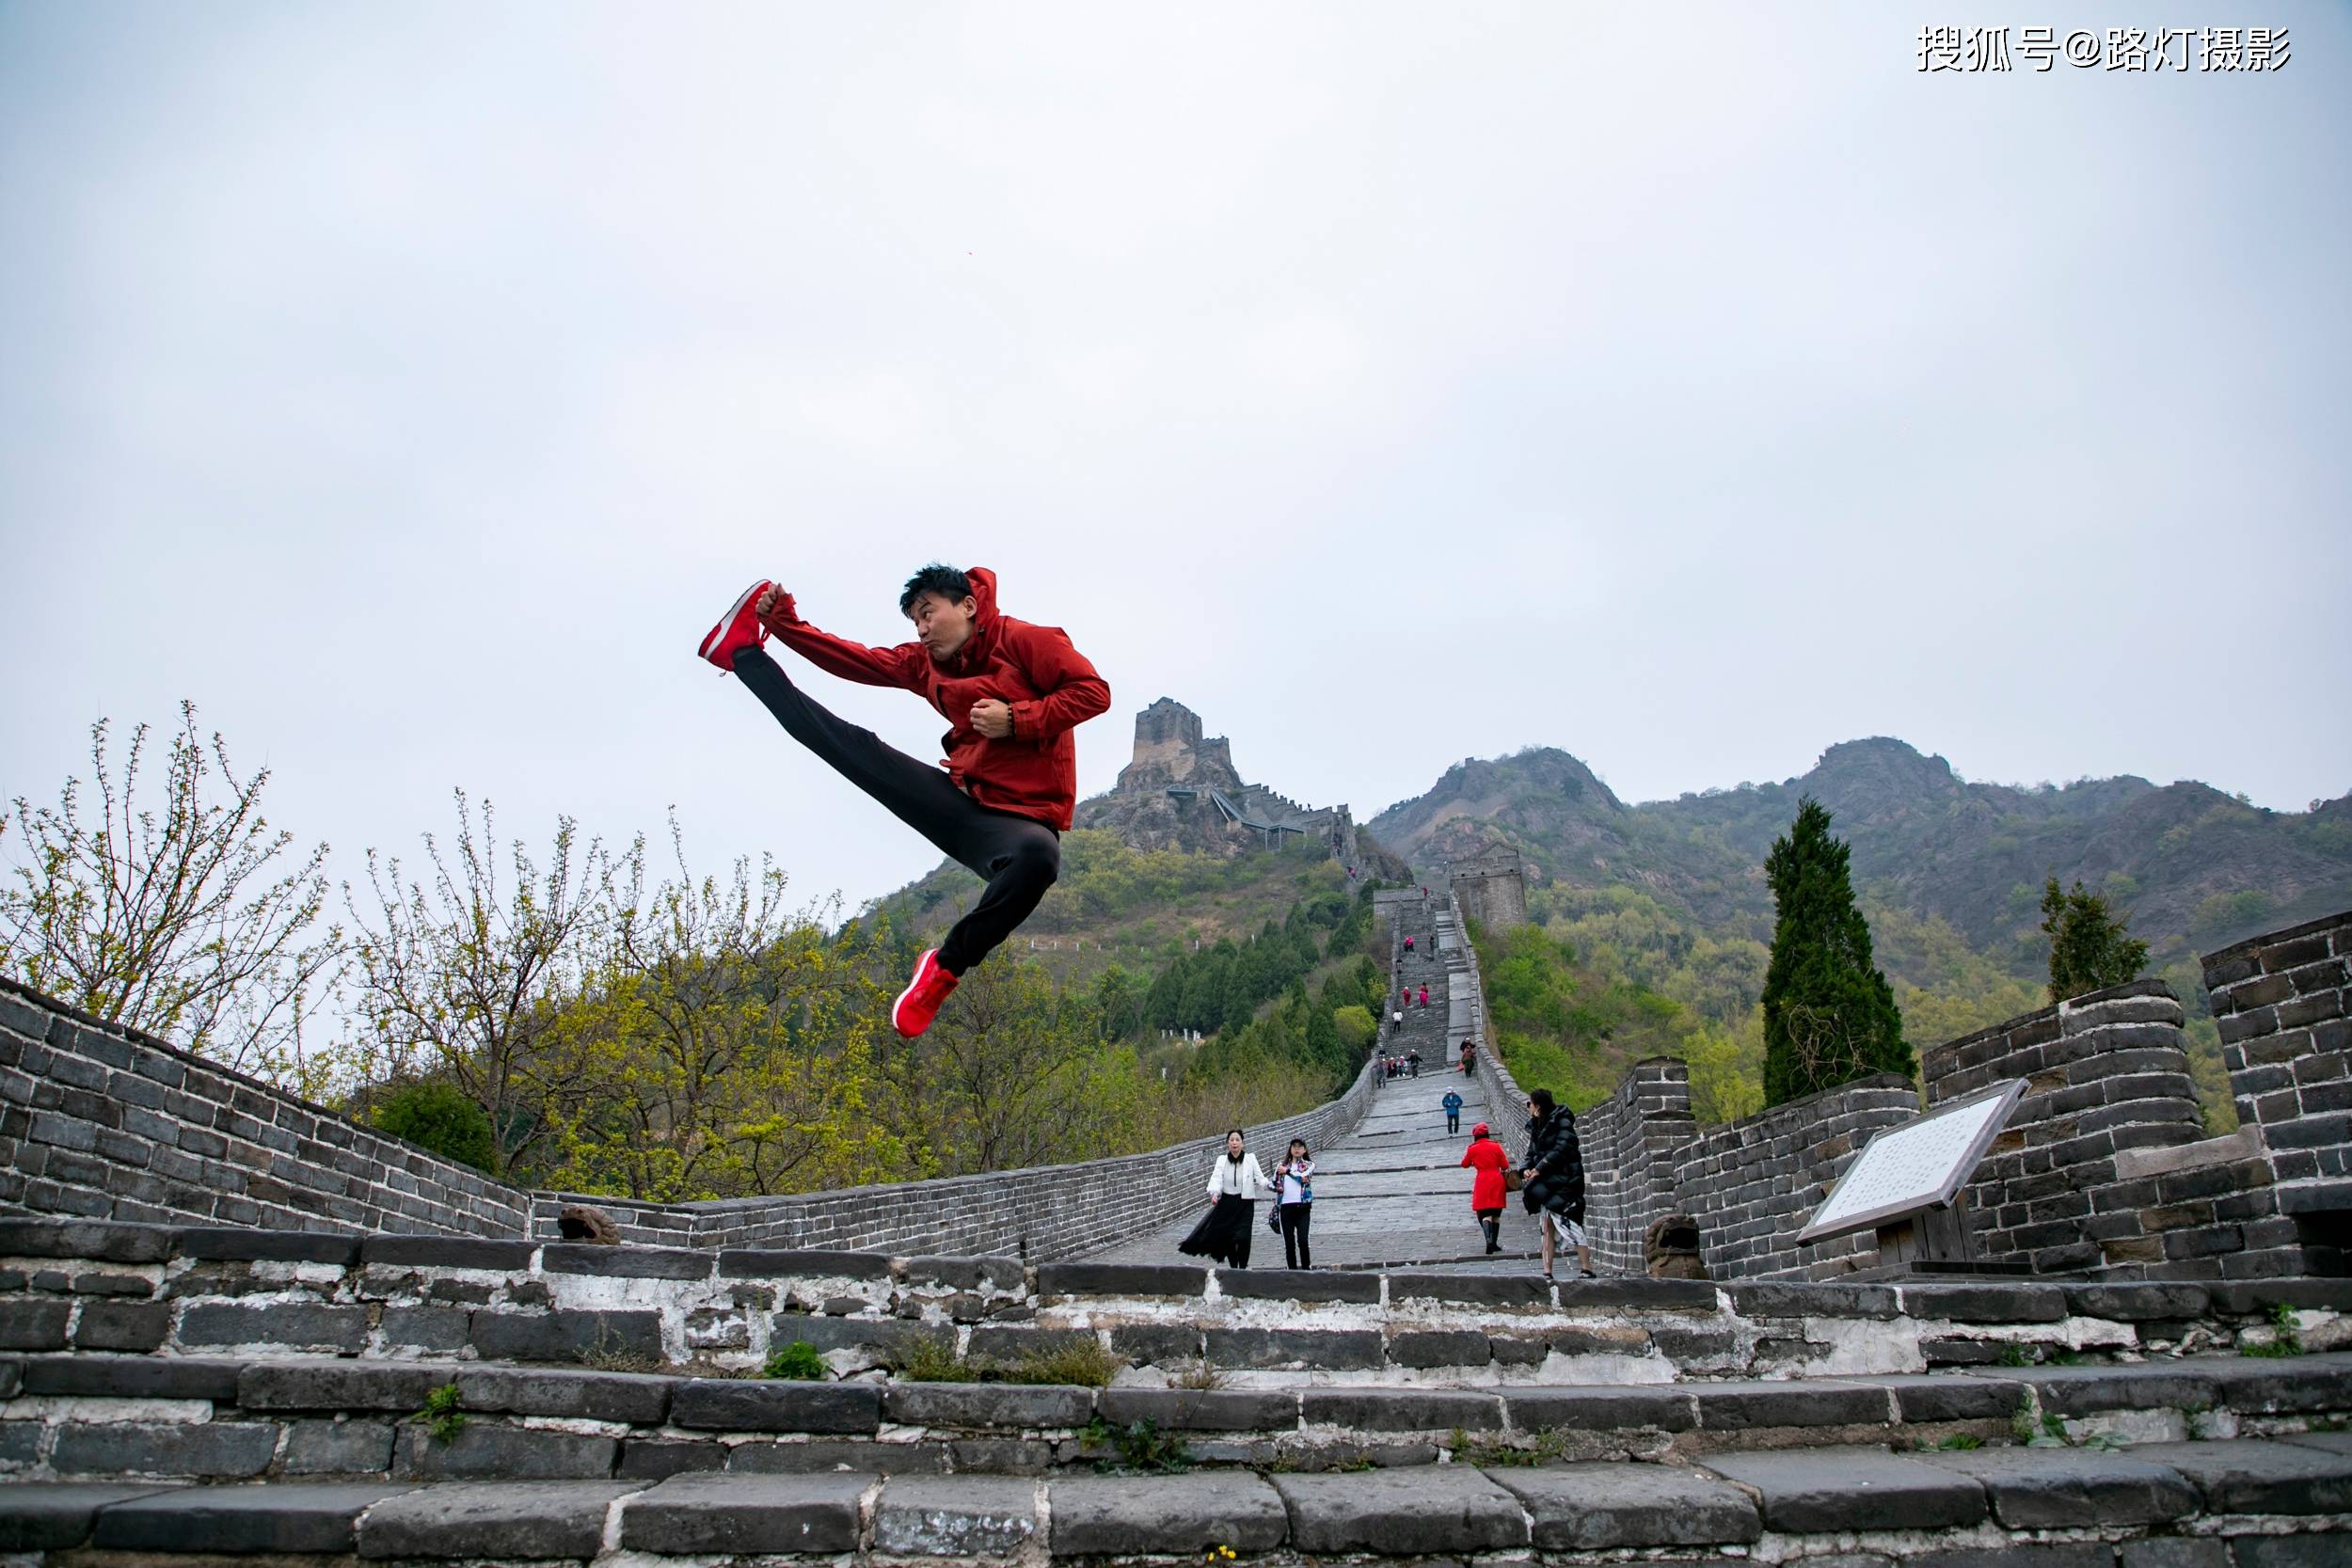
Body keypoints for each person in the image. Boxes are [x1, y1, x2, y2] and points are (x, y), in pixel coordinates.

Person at [697, 566, 1110, 1038]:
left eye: (928, 614)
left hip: (1017, 822)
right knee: (851, 747)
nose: (922, 629)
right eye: (915, 621)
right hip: (960, 799)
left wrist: (1017, 719)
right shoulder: (924, 663)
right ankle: (742, 654)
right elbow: (855, 660)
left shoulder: (1024, 640)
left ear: (967, 606)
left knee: (1039, 857)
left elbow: (1092, 692)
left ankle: (943, 970)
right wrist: (785, 624)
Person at [1519, 1088, 1591, 1281]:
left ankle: (1587, 1268)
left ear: (1538, 1106)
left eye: (1529, 1103)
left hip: (1565, 1181)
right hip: (1545, 1184)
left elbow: (1564, 1147)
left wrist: (1541, 1167)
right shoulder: (1536, 1125)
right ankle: (1547, 1271)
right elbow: (1531, 1152)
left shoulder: (1562, 1121)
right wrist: (1525, 1169)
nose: (1528, 1107)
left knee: (1570, 1223)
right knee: (1546, 1226)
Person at [1178, 1129, 1271, 1269]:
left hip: (1245, 1203)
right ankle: (1234, 1267)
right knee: (1230, 1238)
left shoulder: (1250, 1159)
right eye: (1231, 1140)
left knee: (1243, 1237)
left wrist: (1269, 1185)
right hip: (1227, 1203)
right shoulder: (1222, 1160)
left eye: (1237, 1140)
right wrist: (1215, 1193)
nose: (1234, 1143)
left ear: (1242, 1143)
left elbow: (1260, 1177)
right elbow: (1216, 1178)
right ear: (1228, 1143)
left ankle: (1243, 1268)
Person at [1461, 1121, 1510, 1255]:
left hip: (1482, 1180)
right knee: (1496, 1214)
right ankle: (1494, 1243)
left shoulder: (1472, 1149)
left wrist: (1475, 1161)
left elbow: (1464, 1164)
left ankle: (1488, 1240)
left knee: (1485, 1213)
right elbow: (1505, 1165)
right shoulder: (1496, 1146)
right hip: (1497, 1180)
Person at [1273, 1137, 1315, 1270]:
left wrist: (1287, 1172)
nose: (1297, 1149)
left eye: (1300, 1146)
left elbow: (1303, 1178)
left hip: (1302, 1207)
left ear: (1304, 1150)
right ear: (1290, 1149)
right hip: (1286, 1207)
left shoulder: (1309, 1165)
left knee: (1303, 1240)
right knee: (1289, 1242)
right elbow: (1275, 1184)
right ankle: (1292, 1272)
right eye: (1294, 1146)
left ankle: (1306, 1270)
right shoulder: (1282, 1165)